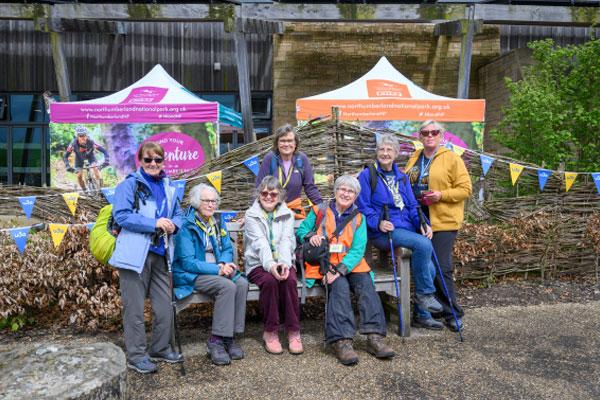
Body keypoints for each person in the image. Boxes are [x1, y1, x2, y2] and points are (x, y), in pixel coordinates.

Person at [297, 175, 395, 366]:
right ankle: (342, 341)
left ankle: (375, 338)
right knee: (339, 287)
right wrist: (311, 236)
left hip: (351, 264)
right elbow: (301, 230)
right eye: (342, 189)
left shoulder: (359, 218)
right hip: (324, 264)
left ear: (356, 196)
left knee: (366, 284)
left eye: (350, 191)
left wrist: (340, 270)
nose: (345, 193)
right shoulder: (319, 210)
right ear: (335, 191)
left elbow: (358, 250)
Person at [109, 141, 184, 374]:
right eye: (148, 159)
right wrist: (154, 223)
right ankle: (136, 355)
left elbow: (179, 213)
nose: (153, 164)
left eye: (158, 160)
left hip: (162, 254)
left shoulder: (169, 186)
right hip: (135, 256)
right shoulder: (129, 185)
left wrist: (174, 225)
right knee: (134, 309)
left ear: (163, 161)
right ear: (140, 161)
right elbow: (121, 216)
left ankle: (160, 348)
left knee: (164, 307)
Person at [355, 134, 444, 330]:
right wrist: (378, 223)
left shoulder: (402, 177)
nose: (385, 153)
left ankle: (422, 314)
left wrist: (423, 223)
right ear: (377, 153)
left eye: (389, 150)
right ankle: (425, 296)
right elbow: (363, 208)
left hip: (407, 230)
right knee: (423, 244)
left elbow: (412, 206)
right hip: (384, 232)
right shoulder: (367, 175)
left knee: (429, 267)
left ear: (396, 154)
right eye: (381, 150)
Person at [405, 121, 472, 332]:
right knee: (424, 266)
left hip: (441, 220)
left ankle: (452, 313)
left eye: (434, 132)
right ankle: (423, 313)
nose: (429, 135)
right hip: (417, 219)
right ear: (420, 136)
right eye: (425, 132)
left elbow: (465, 189)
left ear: (441, 135)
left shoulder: (452, 158)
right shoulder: (415, 157)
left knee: (441, 267)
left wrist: (440, 195)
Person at [172, 183, 249, 366]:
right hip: (190, 274)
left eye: (214, 201)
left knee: (242, 284)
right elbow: (188, 262)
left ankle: (229, 337)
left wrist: (223, 262)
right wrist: (218, 269)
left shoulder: (217, 220)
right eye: (206, 201)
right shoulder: (186, 225)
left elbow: (227, 247)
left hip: (216, 269)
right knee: (227, 286)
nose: (211, 205)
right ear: (197, 202)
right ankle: (216, 341)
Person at [244, 175, 302, 355]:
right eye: (264, 193)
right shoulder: (251, 215)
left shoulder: (287, 214)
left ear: (280, 197)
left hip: (283, 260)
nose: (268, 197)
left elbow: (287, 240)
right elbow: (259, 243)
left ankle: (293, 331)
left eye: (273, 194)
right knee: (270, 281)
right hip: (258, 263)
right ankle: (270, 331)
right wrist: (271, 266)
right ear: (259, 194)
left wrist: (284, 264)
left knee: (289, 281)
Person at [255, 124, 322, 219]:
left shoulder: (301, 159)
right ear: (277, 143)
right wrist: (253, 212)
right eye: (282, 141)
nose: (286, 144)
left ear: (295, 143)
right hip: (271, 213)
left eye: (290, 141)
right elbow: (259, 188)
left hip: (293, 212)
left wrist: (322, 208)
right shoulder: (270, 158)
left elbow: (310, 187)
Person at [63, 125, 109, 190]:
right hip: (79, 159)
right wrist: (67, 165)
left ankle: (101, 189)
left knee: (96, 169)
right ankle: (84, 190)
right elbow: (65, 156)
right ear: (77, 137)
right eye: (80, 136)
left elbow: (104, 151)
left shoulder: (91, 142)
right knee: (79, 176)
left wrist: (106, 160)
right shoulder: (73, 144)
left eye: (84, 135)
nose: (83, 137)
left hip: (91, 157)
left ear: (86, 135)